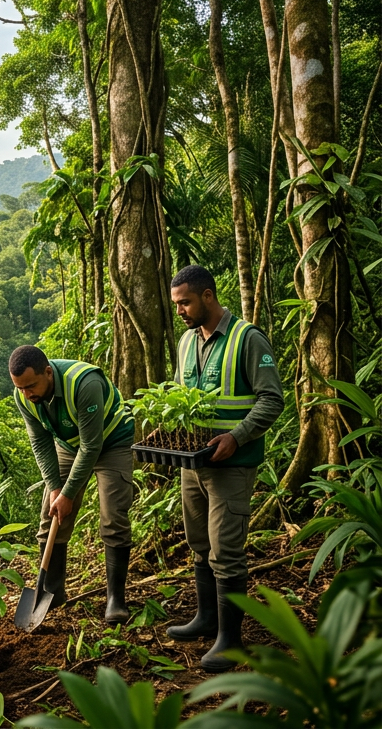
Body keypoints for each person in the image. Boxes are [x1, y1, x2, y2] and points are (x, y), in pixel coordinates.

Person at [166, 265, 283, 672]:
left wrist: (237, 436)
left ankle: (230, 641)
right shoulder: (185, 342)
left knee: (226, 551)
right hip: (193, 463)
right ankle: (206, 620)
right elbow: (180, 397)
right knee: (200, 543)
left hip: (233, 465)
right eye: (176, 303)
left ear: (208, 297)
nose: (179, 310)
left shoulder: (247, 339)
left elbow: (272, 399)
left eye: (185, 302)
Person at [9, 345, 136, 623]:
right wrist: (56, 488)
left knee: (113, 517)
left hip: (111, 440)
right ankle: (52, 592)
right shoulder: (24, 396)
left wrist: (68, 493)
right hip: (68, 444)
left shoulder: (84, 383)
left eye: (31, 386)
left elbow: (92, 447)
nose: (27, 394)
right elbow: (40, 442)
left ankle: (116, 598)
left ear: (47, 372)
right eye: (20, 388)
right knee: (50, 514)